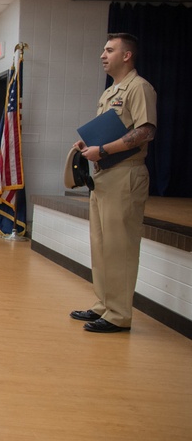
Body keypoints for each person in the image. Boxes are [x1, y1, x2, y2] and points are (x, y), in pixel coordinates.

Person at [70, 33, 157, 334]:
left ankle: (119, 314)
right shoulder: (110, 93)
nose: (103, 55)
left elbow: (145, 131)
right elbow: (113, 131)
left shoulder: (139, 87)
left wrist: (104, 150)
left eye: (109, 50)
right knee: (102, 244)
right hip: (104, 175)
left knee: (120, 247)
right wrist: (90, 144)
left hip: (126, 174)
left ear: (127, 55)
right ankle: (103, 304)